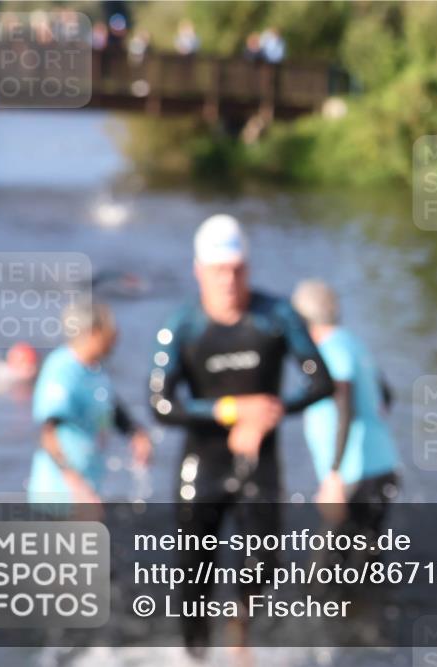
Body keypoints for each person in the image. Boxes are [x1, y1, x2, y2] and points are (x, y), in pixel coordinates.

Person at [148, 214, 334, 657]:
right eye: (219, 271)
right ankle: (194, 657)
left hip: (259, 460)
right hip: (202, 462)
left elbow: (321, 382)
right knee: (194, 572)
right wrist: (230, 410)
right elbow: (159, 403)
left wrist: (269, 412)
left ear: (248, 267)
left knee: (264, 562)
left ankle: (239, 638)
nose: (229, 281)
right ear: (199, 271)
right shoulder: (182, 325)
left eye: (237, 270)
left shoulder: (277, 316)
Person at [290, 280, 399, 536]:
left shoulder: (330, 352)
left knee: (325, 560)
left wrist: (333, 477)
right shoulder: (351, 342)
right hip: (382, 466)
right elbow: (387, 396)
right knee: (363, 557)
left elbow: (345, 410)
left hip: (354, 475)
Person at [28, 303, 152, 504]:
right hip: (59, 492)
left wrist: (135, 433)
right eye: (111, 331)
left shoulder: (95, 370)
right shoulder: (62, 369)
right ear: (93, 332)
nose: (116, 337)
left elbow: (109, 405)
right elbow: (48, 433)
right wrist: (75, 483)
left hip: (89, 484)